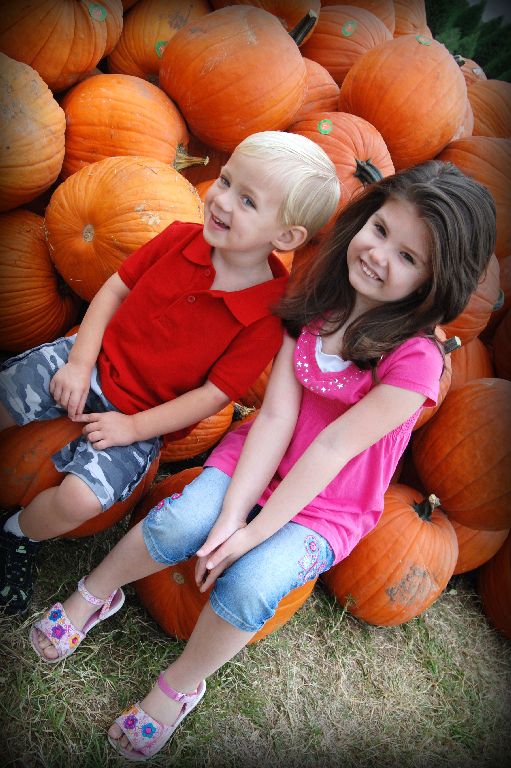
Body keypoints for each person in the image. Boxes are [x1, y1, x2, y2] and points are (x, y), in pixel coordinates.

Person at [29, 160, 495, 761]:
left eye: (408, 258)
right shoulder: (317, 303)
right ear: (365, 217)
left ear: (437, 282)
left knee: (252, 584)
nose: (379, 255)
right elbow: (274, 418)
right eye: (380, 229)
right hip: (260, 457)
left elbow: (331, 449)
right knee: (181, 522)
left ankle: (179, 686)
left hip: (328, 504)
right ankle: (96, 592)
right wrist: (230, 516)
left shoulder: (416, 363)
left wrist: (250, 536)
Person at [0, 130, 341, 615]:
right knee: (9, 393)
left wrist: (133, 428)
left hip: (144, 417)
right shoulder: (180, 238)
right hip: (93, 361)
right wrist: (78, 364)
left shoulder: (266, 314)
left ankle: (18, 534)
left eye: (247, 200)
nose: (221, 200)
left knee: (79, 501)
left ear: (285, 237)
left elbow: (211, 397)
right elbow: (114, 290)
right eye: (226, 180)